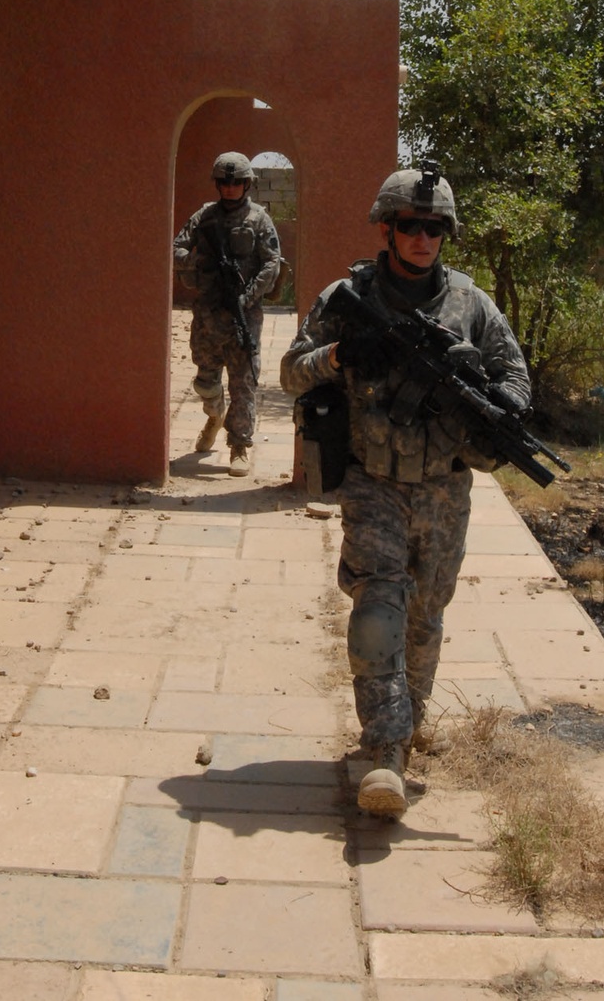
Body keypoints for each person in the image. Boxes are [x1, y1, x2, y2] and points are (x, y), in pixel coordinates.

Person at [280, 164, 530, 818]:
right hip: (373, 484)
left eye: (435, 228)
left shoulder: (472, 306)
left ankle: (410, 721)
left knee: (426, 616)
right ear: (387, 229)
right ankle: (385, 752)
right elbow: (290, 373)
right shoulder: (348, 298)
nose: (424, 238)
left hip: (445, 489)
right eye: (411, 226)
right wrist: (339, 356)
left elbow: (515, 379)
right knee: (376, 613)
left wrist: (486, 399)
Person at [174, 152, 282, 477]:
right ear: (218, 184)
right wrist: (201, 265)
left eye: (237, 182)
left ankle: (239, 446)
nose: (231, 187)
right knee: (205, 379)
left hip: (244, 313)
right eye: (225, 181)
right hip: (208, 311)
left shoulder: (259, 219)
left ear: (248, 183)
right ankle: (214, 413)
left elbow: (272, 262)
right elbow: (176, 248)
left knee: (244, 381)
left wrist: (249, 295)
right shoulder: (204, 217)